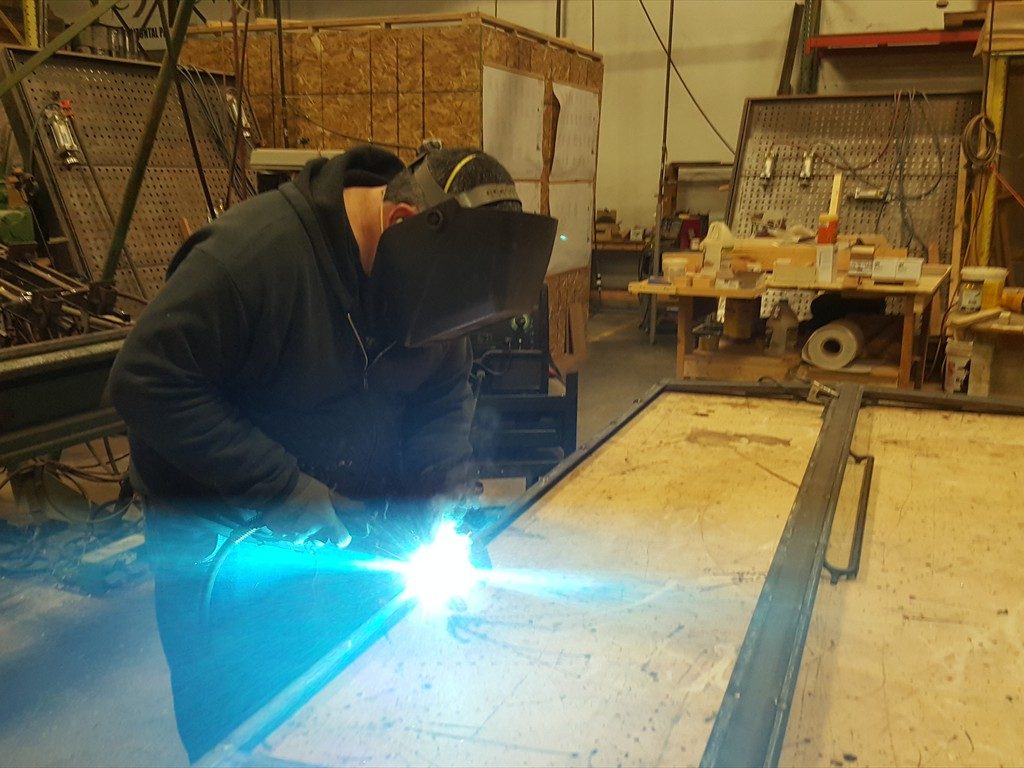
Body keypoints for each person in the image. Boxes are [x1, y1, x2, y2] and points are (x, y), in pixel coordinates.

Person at [107, 144, 555, 761]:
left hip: (344, 538)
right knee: (247, 736)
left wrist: (443, 500)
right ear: (400, 221)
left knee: (351, 716)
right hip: (227, 552)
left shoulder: (434, 278)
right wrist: (280, 488)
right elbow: (145, 381)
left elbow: (442, 395)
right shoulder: (253, 259)